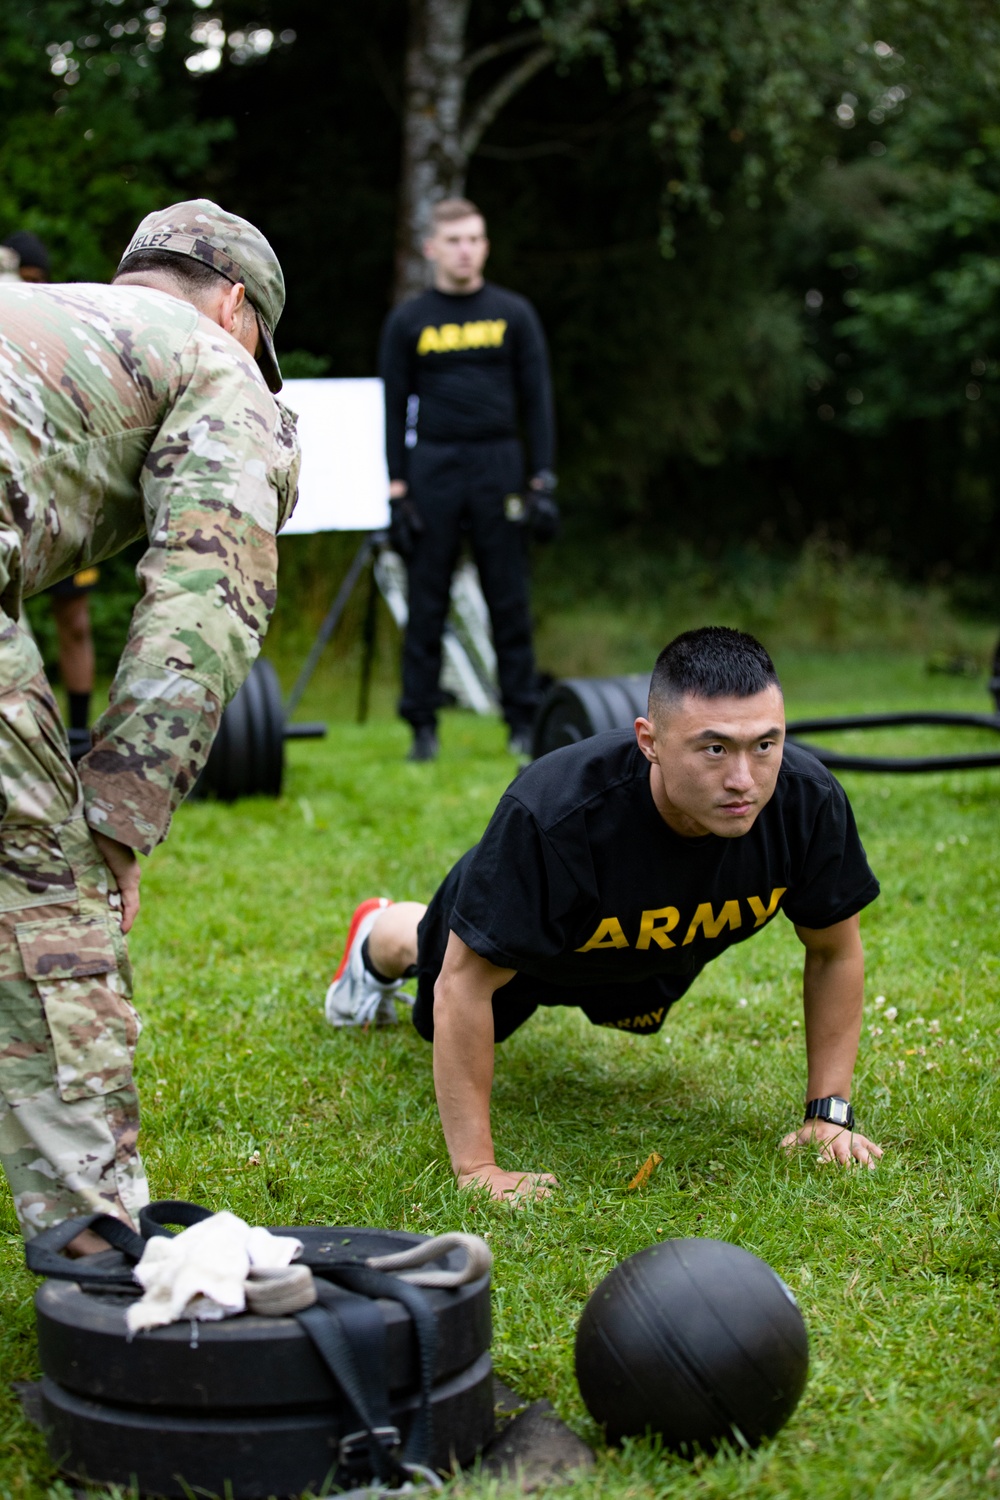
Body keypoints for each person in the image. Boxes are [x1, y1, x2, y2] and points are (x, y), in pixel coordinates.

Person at [324, 626, 884, 1199]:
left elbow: (834, 950)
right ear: (649, 741)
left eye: (765, 745)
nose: (744, 780)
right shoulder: (554, 816)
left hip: (648, 952)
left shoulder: (806, 805)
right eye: (714, 749)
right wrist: (477, 1170)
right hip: (533, 946)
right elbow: (462, 986)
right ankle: (377, 928)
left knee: (634, 999)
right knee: (430, 965)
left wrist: (828, 1113)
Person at [0, 200, 300, 1253]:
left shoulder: (50, 323)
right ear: (236, 309)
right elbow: (203, 602)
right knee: (44, 904)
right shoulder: (220, 368)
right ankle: (97, 1248)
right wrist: (120, 817)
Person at [378, 197, 557, 762]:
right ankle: (422, 728)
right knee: (426, 602)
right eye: (454, 240)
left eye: (475, 239)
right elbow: (392, 406)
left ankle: (523, 721)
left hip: (499, 463)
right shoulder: (408, 321)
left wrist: (542, 479)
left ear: (485, 245)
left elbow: (538, 402)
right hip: (432, 468)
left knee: (508, 598)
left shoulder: (513, 314)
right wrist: (396, 489)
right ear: (432, 248)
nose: (465, 250)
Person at [3, 228, 100, 757]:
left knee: (75, 618)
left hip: (59, 496)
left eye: (36, 282)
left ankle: (80, 736)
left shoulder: (57, 333)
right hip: (8, 494)